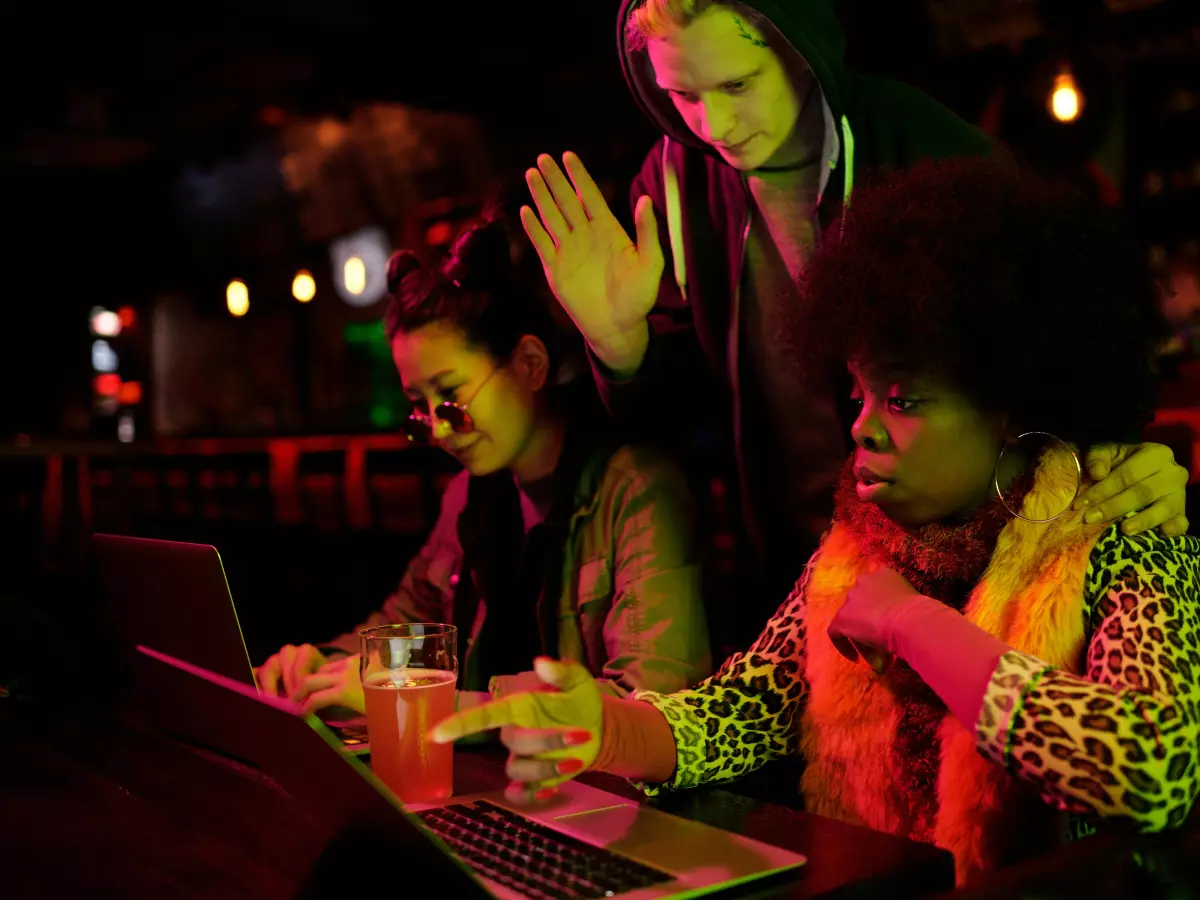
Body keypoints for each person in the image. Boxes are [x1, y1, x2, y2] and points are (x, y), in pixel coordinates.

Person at [433, 159, 1200, 886]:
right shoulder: (854, 546)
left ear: (1006, 411)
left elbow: (1151, 775)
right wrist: (600, 729)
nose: (861, 429)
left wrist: (912, 625)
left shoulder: (1119, 530)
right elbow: (736, 712)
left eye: (902, 401)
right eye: (859, 395)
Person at [518, 0, 1189, 641]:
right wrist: (620, 344)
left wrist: (1115, 458)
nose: (714, 124)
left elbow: (1061, 353)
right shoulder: (670, 184)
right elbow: (683, 431)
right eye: (684, 96)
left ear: (800, 49)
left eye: (737, 84)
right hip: (787, 588)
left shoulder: (926, 146)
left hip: (966, 585)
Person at [255, 215, 712, 714]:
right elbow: (402, 627)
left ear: (530, 364)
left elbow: (649, 706)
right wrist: (316, 666)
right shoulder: (473, 498)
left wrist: (430, 704)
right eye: (420, 411)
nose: (440, 430)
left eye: (450, 398)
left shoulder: (637, 488)